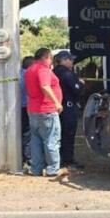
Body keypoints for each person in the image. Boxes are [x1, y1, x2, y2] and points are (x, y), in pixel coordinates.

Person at [24, 48, 64, 179]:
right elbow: (45, 86)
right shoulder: (43, 69)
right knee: (51, 139)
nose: (51, 62)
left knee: (36, 140)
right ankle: (53, 169)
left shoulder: (30, 70)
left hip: (33, 110)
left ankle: (36, 168)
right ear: (46, 57)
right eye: (51, 58)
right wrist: (56, 102)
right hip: (46, 109)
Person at [53, 50, 85, 170]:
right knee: (68, 134)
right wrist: (81, 83)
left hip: (57, 106)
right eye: (70, 59)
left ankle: (58, 159)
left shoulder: (54, 71)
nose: (72, 61)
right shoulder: (66, 73)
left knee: (58, 135)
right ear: (64, 60)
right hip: (68, 107)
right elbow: (77, 89)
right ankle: (68, 160)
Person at [19, 56, 34, 169]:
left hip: (19, 107)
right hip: (25, 107)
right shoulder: (28, 76)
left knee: (23, 133)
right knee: (27, 134)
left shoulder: (18, 74)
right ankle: (28, 159)